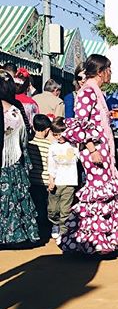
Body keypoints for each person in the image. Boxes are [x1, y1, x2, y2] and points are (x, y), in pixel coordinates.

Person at [60, 54, 118, 255]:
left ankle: (103, 241)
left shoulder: (95, 91)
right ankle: (92, 241)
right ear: (101, 71)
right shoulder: (88, 92)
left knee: (104, 194)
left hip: (101, 150)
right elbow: (80, 123)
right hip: (95, 150)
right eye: (109, 69)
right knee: (98, 194)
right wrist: (92, 149)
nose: (110, 74)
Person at [0, 70, 38, 247]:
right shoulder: (15, 111)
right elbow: (24, 138)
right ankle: (15, 235)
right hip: (11, 161)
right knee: (13, 196)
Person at [47, 117, 79, 241]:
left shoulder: (73, 145)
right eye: (55, 134)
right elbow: (51, 165)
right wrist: (51, 181)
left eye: (61, 134)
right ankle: (55, 224)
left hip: (70, 182)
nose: (58, 137)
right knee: (53, 209)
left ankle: (64, 232)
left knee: (65, 209)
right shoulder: (53, 147)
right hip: (56, 182)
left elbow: (80, 156)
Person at [27, 113, 53, 242]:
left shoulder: (29, 144)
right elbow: (50, 165)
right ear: (48, 129)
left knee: (36, 207)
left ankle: (36, 231)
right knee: (45, 208)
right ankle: (45, 232)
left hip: (32, 181)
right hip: (45, 181)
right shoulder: (49, 146)